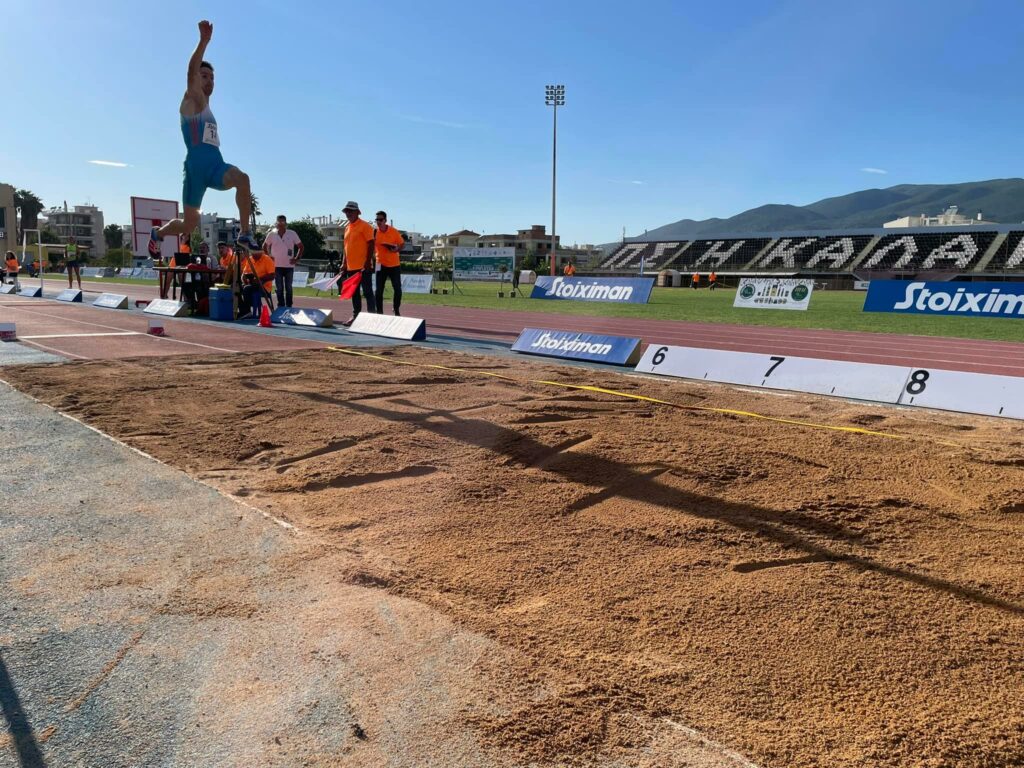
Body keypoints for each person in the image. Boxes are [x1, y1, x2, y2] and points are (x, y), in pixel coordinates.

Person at [148, 20, 259, 258]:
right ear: (196, 79)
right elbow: (190, 72)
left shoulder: (209, 111)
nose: (209, 80)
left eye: (212, 77)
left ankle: (245, 233)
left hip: (216, 166)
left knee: (243, 179)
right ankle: (157, 234)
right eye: (204, 75)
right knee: (188, 225)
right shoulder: (191, 101)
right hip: (196, 171)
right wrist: (203, 42)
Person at [340, 201, 375, 325]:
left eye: (351, 211)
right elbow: (346, 247)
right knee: (354, 293)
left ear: (357, 212)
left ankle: (372, 317)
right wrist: (344, 263)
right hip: (350, 266)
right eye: (347, 211)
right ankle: (356, 316)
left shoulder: (365, 226)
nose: (348, 213)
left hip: (363, 266)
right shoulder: (347, 228)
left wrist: (367, 261)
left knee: (367, 292)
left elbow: (371, 243)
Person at [263, 215, 304, 308]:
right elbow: (264, 246)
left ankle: (289, 306)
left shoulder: (292, 233)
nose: (280, 224)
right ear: (276, 223)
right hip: (276, 266)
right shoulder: (271, 234)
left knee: (288, 287)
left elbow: (301, 247)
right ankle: (281, 305)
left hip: (289, 266)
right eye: (279, 222)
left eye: (282, 222)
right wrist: (269, 257)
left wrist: (297, 258)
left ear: (286, 223)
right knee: (279, 288)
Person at [373, 211, 404, 315]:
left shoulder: (393, 231)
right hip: (380, 264)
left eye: (380, 220)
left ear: (385, 220)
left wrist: (396, 249)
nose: (378, 222)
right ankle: (379, 312)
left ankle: (396, 309)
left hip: (394, 265)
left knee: (398, 289)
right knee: (378, 290)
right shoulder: (374, 233)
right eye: (377, 220)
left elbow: (402, 244)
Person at [240, 248, 275, 318]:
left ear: (260, 252)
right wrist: (243, 278)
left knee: (247, 289)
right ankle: (243, 310)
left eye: (254, 253)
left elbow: (272, 276)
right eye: (252, 253)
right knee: (237, 288)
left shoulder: (267, 259)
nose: (253, 255)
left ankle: (247, 311)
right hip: (251, 284)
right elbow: (244, 273)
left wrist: (259, 279)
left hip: (264, 286)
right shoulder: (250, 259)